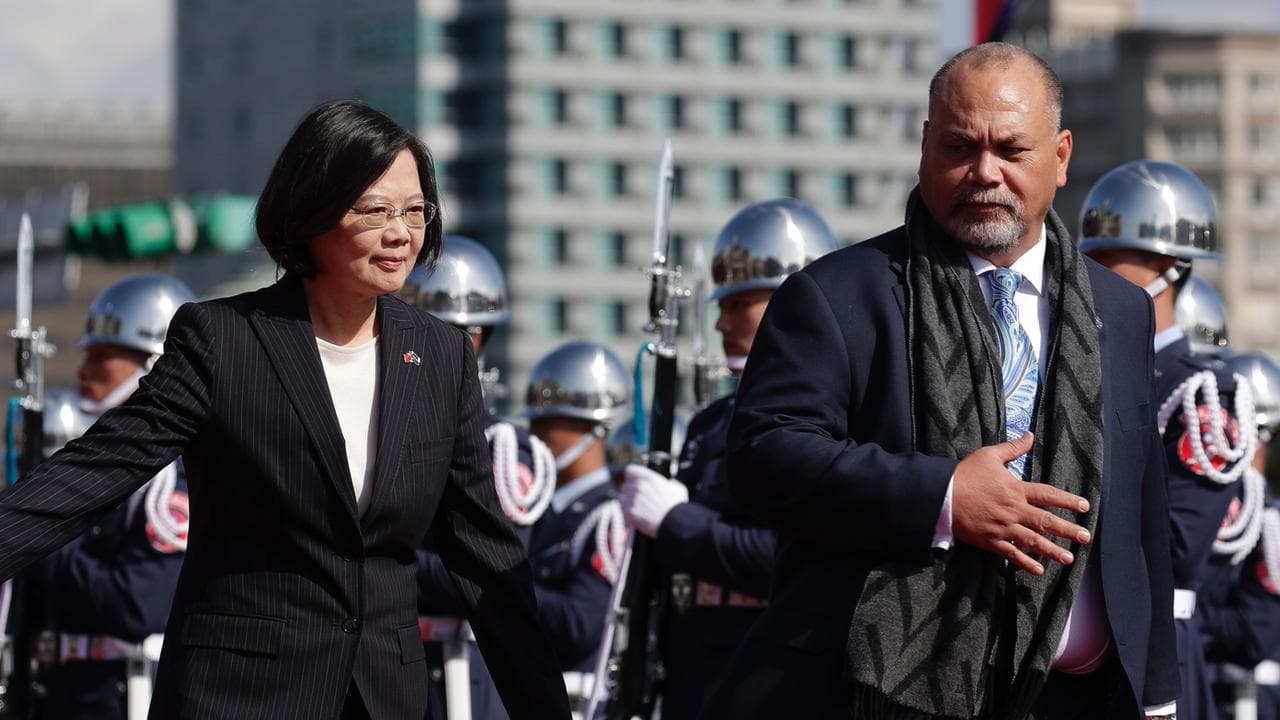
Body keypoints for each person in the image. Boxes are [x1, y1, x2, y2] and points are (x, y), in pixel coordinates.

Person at [0, 99, 570, 720]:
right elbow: (90, 476)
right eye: (374, 211)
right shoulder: (223, 340)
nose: (401, 233)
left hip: (385, 699)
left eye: (415, 211)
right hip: (238, 696)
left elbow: (486, 558)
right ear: (310, 216)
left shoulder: (440, 357)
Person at [702, 43, 1178, 720]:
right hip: (880, 694)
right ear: (927, 145)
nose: (984, 172)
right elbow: (762, 459)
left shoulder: (1121, 310)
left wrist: (1157, 694)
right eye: (960, 146)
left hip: (1079, 698)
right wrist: (947, 496)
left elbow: (1142, 513)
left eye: (1011, 150)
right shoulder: (837, 296)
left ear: (1062, 156)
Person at [618, 198, 836, 720]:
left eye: (740, 304)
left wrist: (676, 522)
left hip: (772, 670)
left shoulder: (832, 420)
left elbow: (787, 560)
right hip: (694, 669)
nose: (721, 324)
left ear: (796, 299)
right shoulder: (711, 422)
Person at [1081, 159, 1257, 720]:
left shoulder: (1203, 391)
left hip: (1157, 645)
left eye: (1112, 261)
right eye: (1091, 260)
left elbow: (1178, 544)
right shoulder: (1081, 371)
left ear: (1170, 268)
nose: (1092, 276)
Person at [400, 235, 557, 720]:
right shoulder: (376, 429)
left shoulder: (505, 451)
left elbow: (488, 577)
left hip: (467, 673)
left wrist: (379, 567)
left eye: (464, 335)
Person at [29, 275, 195, 720]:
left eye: (102, 356)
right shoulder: (92, 461)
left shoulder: (168, 479)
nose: (84, 370)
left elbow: (136, 604)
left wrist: (41, 540)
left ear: (155, 365)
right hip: (56, 693)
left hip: (121, 695)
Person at [524, 341, 630, 712]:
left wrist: (505, 587)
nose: (534, 434)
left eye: (549, 422)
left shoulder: (608, 516)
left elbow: (580, 625)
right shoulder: (540, 509)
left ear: (595, 429)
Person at [1199, 351, 1280, 720]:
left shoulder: (1266, 520)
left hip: (1244, 700)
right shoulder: (1203, 503)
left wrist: (1183, 616)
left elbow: (1254, 634)